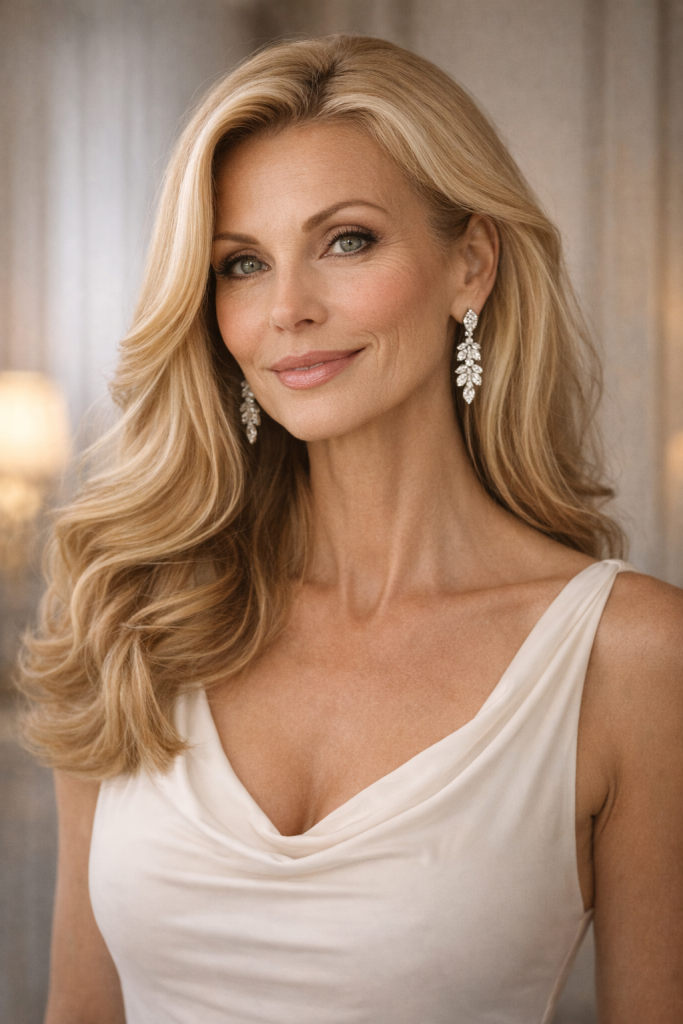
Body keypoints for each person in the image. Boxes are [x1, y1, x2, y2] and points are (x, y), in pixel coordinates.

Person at [20, 34, 682, 1024]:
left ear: (469, 263)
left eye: (346, 240)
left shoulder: (628, 659)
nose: (286, 308)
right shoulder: (133, 609)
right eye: (242, 263)